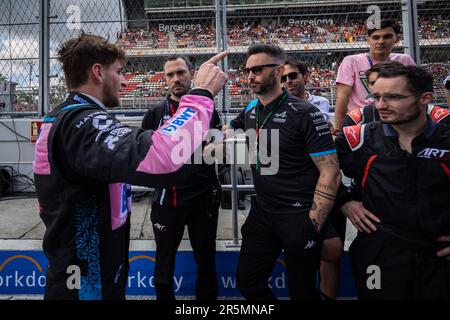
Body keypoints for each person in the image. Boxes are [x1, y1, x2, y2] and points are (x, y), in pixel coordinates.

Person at [33, 34, 228, 300]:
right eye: (120, 72)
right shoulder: (81, 122)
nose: (124, 81)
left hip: (86, 267)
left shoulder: (66, 116)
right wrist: (202, 94)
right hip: (87, 280)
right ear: (98, 72)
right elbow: (162, 157)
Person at [229, 44, 341, 300]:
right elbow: (231, 130)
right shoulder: (250, 110)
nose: (250, 76)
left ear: (278, 70)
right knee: (247, 283)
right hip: (263, 212)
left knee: (302, 291)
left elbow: (331, 171)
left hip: (299, 214)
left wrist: (313, 223)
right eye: (247, 70)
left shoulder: (305, 112)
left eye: (257, 69)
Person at [336, 64, 450, 299]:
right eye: (376, 97)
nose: (380, 105)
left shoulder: (446, 140)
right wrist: (344, 201)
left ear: (425, 98)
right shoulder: (358, 139)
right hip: (378, 254)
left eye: (393, 97)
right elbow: (312, 170)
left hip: (437, 256)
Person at [141, 56, 221, 300]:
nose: (176, 79)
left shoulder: (208, 110)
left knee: (206, 265)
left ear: (191, 74)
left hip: (202, 201)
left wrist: (215, 147)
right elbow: (146, 157)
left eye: (180, 73)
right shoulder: (154, 114)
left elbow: (215, 152)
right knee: (163, 269)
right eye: (170, 75)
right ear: (165, 79)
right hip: (167, 203)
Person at [281, 60, 345, 300]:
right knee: (304, 248)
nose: (288, 81)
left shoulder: (321, 103)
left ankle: (327, 296)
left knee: (332, 249)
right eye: (284, 78)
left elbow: (328, 134)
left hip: (325, 179)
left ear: (305, 75)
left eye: (293, 76)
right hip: (299, 184)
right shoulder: (278, 106)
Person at [334, 19, 415, 133]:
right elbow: (342, 96)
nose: (381, 41)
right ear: (368, 40)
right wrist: (339, 129)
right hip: (361, 120)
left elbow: (415, 92)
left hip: (397, 117)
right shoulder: (351, 61)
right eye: (376, 37)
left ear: (396, 39)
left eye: (387, 37)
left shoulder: (404, 60)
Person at [344, 61, 450, 127]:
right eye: (373, 83)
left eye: (393, 97)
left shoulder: (442, 118)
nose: (379, 86)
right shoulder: (356, 121)